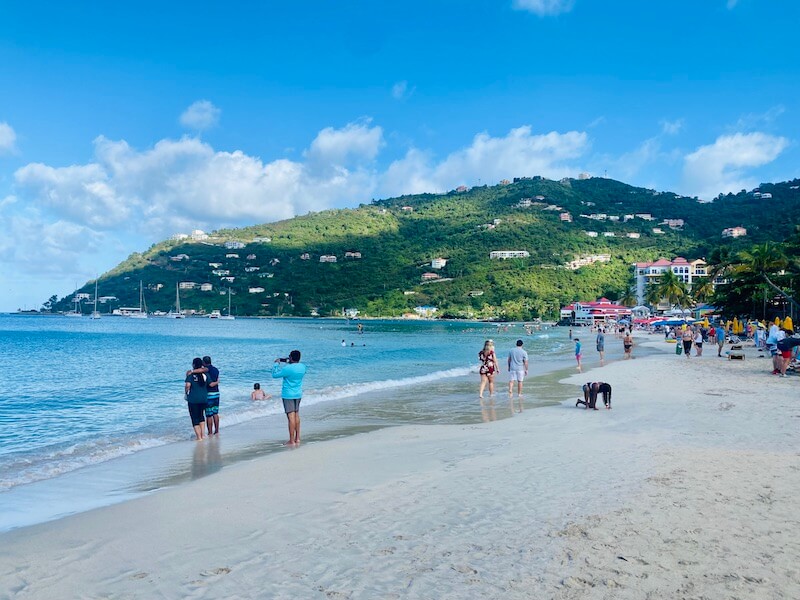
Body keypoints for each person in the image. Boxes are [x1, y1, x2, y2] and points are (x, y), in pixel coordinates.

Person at [272, 350, 307, 446]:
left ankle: (291, 440)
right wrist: (284, 360)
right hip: (298, 394)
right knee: (296, 415)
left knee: (291, 417)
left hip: (288, 395)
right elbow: (293, 363)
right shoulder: (303, 367)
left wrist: (276, 364)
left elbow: (274, 375)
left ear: (291, 357)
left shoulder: (288, 368)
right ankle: (297, 438)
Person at [184, 357, 208, 441]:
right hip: (203, 398)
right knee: (201, 416)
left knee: (194, 418)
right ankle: (203, 435)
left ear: (194, 365)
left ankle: (199, 437)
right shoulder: (204, 375)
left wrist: (186, 393)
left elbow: (187, 385)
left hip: (193, 399)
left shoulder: (190, 375)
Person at [507, 339, 529, 408]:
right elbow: (525, 362)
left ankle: (510, 390)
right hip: (520, 368)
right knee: (520, 381)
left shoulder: (511, 350)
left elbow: (509, 360)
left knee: (511, 381)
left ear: (516, 344)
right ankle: (519, 393)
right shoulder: (524, 352)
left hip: (512, 367)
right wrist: (526, 369)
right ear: (522, 345)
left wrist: (509, 366)